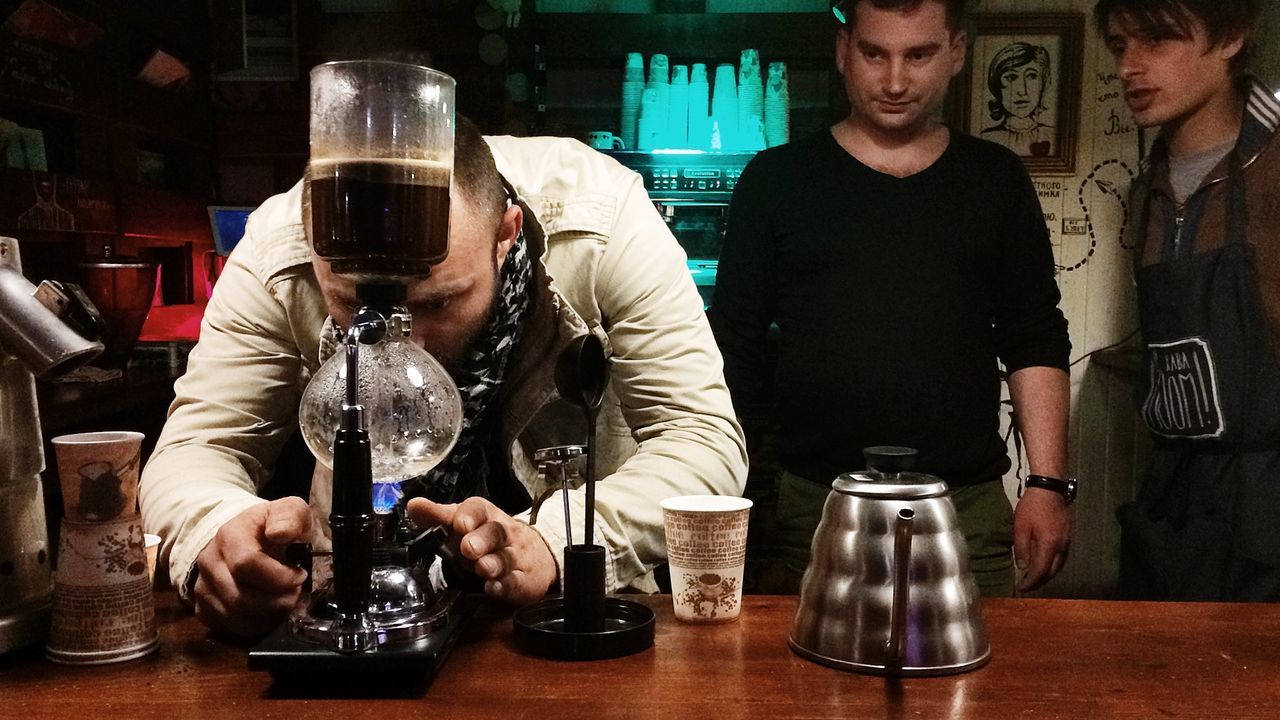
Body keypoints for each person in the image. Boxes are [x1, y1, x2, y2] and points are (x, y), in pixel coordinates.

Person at [139, 115, 748, 636]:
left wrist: (554, 541)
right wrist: (215, 535)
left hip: (571, 618)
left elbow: (700, 438)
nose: (408, 343)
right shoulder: (279, 249)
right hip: (360, 614)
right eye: (358, 306)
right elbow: (200, 447)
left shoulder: (604, 219)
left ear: (507, 234)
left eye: (437, 302)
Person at [709, 0, 1073, 597]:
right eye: (875, 53)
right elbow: (733, 352)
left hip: (964, 505)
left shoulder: (996, 179)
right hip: (815, 504)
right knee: (804, 686)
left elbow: (1034, 333)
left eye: (919, 54)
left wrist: (1050, 484)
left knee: (984, 684)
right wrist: (740, 500)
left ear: (956, 51)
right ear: (842, 51)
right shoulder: (776, 182)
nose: (896, 80)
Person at [1096, 0, 1280, 600]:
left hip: (1267, 499)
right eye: (1122, 45)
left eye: (1156, 40)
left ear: (1230, 38)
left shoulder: (1272, 165)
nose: (1129, 66)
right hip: (1172, 493)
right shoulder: (1150, 185)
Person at [980, 41, 1056, 157]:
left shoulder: (1054, 136)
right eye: (1011, 77)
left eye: (1031, 76)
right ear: (997, 85)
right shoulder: (985, 139)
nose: (1022, 91)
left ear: (1043, 83)